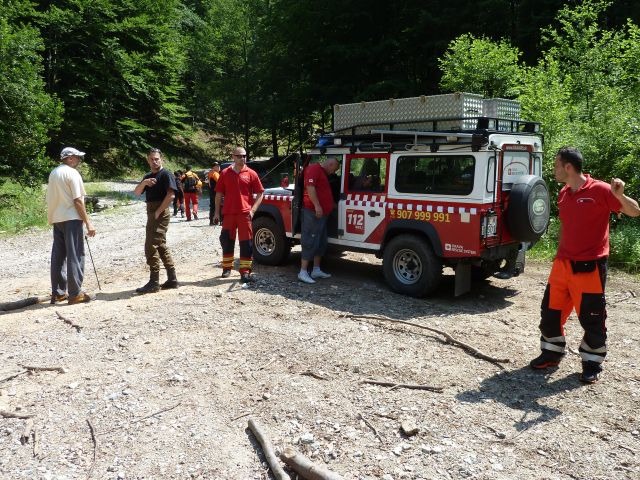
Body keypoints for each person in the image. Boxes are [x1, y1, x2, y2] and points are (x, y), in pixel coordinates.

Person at [530, 146, 640, 383]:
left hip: (590, 267)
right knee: (550, 313)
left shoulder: (601, 190)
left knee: (592, 318)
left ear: (568, 167)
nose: (554, 169)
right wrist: (559, 253)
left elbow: (635, 211)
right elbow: (568, 227)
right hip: (562, 265)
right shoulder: (564, 192)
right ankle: (551, 353)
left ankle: (592, 363)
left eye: (556, 165)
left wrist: (620, 195)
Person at [47, 147, 96, 305]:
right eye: (77, 157)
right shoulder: (72, 173)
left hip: (57, 218)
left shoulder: (54, 173)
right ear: (69, 158)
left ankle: (58, 293)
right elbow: (78, 200)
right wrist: (88, 222)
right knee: (75, 254)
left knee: (58, 256)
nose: (79, 160)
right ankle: (75, 294)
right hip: (72, 218)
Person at [213, 146, 264, 283]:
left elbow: (260, 193)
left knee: (246, 243)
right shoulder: (225, 173)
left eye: (244, 156)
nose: (243, 158)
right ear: (233, 157)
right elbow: (218, 194)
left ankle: (245, 271)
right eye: (239, 156)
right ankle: (227, 268)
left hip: (245, 215)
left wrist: (253, 210)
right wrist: (216, 213)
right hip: (229, 214)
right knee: (227, 241)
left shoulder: (251, 173)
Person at [133, 148, 179, 294]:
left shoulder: (166, 174)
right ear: (148, 160)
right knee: (160, 245)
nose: (154, 161)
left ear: (161, 159)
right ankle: (172, 279)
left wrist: (159, 211)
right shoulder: (148, 176)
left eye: (157, 159)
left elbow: (171, 195)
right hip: (152, 211)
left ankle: (154, 282)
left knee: (150, 245)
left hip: (160, 212)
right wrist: (144, 183)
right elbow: (137, 192)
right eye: (152, 159)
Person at [298, 157, 340, 284]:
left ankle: (316, 269)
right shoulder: (314, 169)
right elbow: (310, 187)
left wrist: (330, 204)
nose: (333, 172)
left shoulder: (321, 172)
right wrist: (317, 205)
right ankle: (303, 272)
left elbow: (322, 191)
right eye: (334, 169)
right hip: (312, 212)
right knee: (310, 240)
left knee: (320, 241)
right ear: (330, 164)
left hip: (321, 214)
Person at [207, 161, 221, 225]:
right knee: (219, 205)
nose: (219, 167)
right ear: (213, 167)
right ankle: (219, 220)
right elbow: (220, 183)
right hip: (216, 192)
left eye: (219, 166)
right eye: (217, 166)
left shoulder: (210, 172)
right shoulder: (215, 174)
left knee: (212, 206)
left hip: (211, 191)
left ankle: (211, 221)